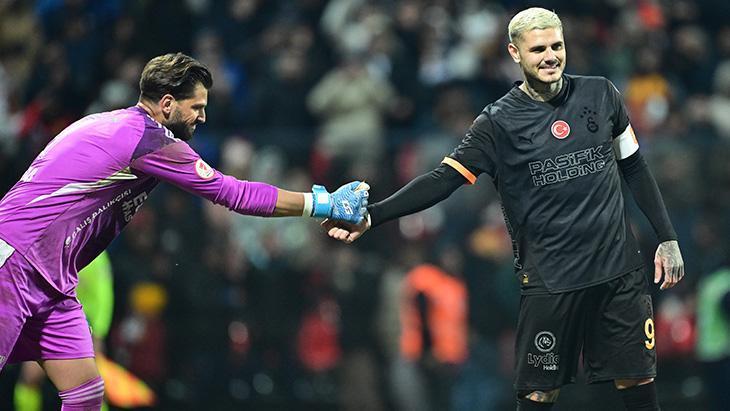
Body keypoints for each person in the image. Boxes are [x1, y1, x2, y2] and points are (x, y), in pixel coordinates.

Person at [324, 7, 685, 411]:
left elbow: (634, 167)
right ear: (515, 53)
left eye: (557, 46)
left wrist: (667, 237)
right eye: (538, 50)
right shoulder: (497, 122)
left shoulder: (601, 94)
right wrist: (374, 215)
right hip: (551, 279)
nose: (550, 57)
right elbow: (443, 179)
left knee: (638, 382)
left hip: (618, 271)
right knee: (538, 394)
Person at [0, 52, 369, 411]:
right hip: (15, 263)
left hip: (51, 277)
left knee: (85, 393)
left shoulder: (109, 124)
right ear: (167, 104)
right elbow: (233, 194)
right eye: (197, 107)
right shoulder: (147, 139)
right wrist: (324, 203)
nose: (203, 117)